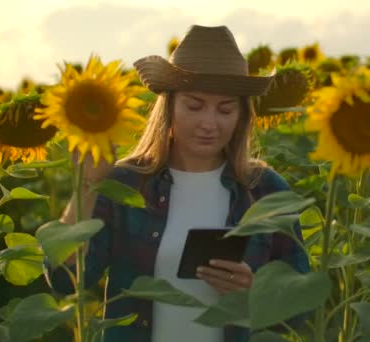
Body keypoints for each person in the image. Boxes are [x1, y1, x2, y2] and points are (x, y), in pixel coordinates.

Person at [50, 25, 311, 342]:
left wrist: (256, 291)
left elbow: (302, 307)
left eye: (225, 109)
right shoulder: (128, 184)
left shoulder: (265, 190)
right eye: (194, 105)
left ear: (242, 115)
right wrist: (88, 185)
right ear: (169, 107)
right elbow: (67, 280)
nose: (209, 123)